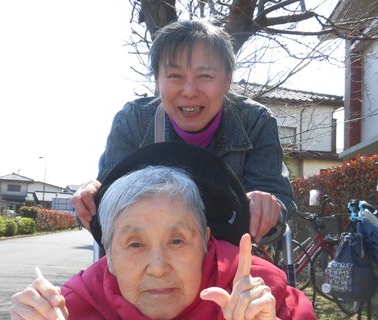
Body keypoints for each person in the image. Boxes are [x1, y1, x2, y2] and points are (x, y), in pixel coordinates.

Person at [0, 143, 334, 320]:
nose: (158, 268)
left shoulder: (258, 291)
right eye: (135, 244)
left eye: (177, 241)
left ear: (205, 241)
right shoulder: (72, 308)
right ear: (108, 257)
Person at [72, 19, 295, 243]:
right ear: (158, 80)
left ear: (227, 80)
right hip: (151, 259)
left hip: (230, 260)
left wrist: (265, 206)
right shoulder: (132, 121)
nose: (189, 91)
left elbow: (277, 203)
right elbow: (106, 202)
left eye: (205, 76)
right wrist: (89, 198)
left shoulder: (256, 121)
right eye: (175, 76)